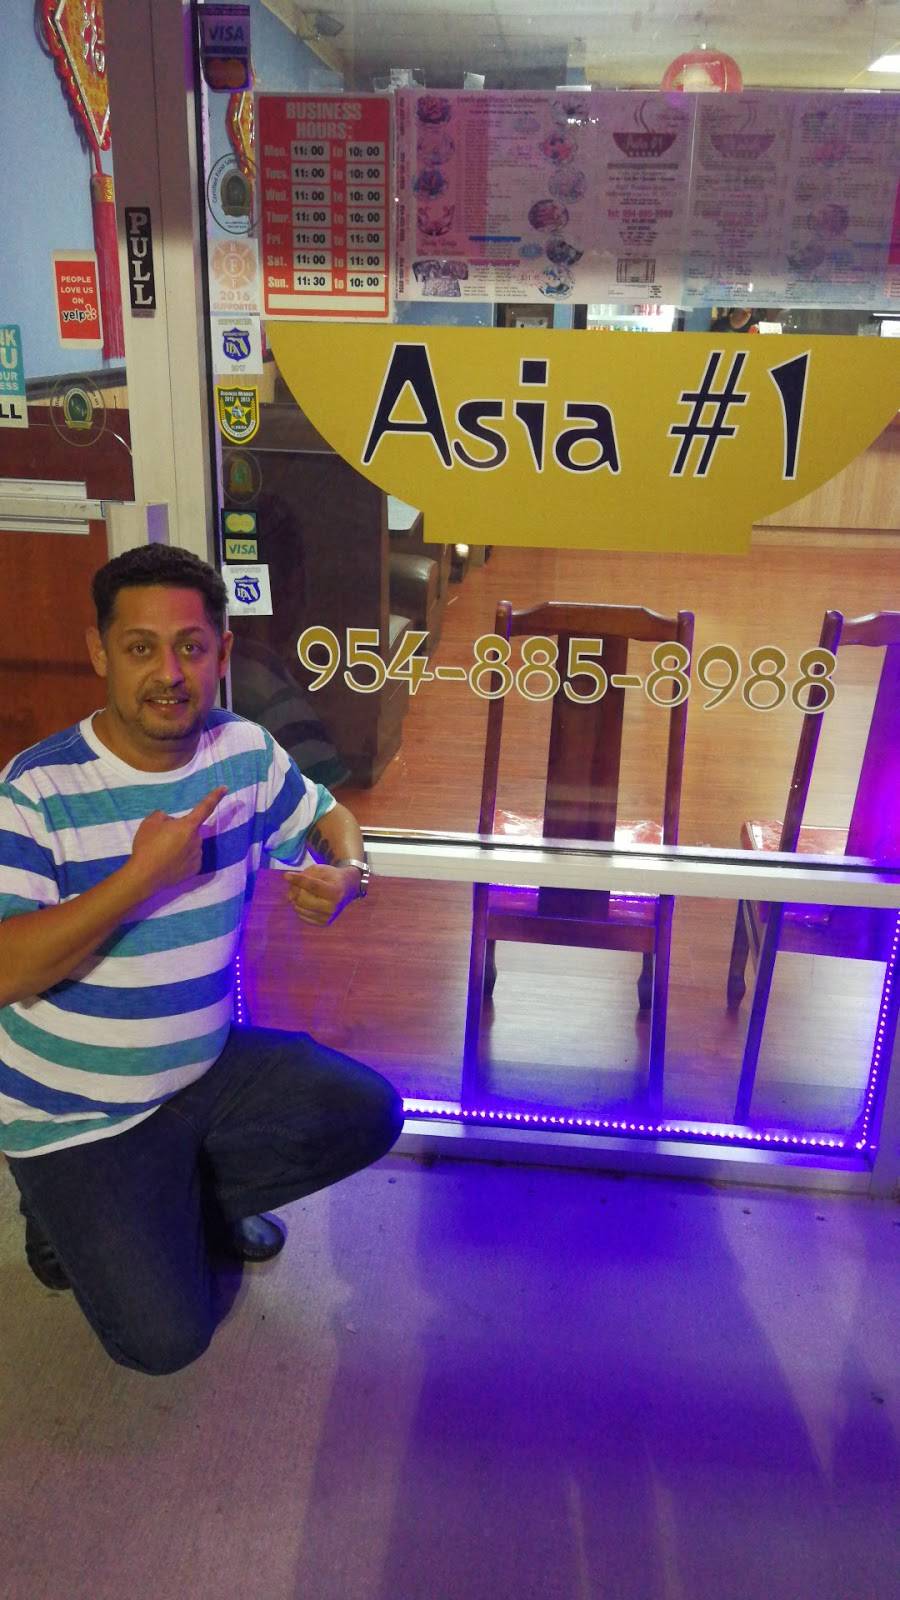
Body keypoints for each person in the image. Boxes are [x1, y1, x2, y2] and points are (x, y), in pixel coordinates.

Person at [0, 543, 403, 1375]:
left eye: (191, 646)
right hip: (76, 1109)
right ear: (100, 653)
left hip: (203, 1069)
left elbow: (328, 816)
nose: (169, 672)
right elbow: (7, 972)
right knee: (164, 1342)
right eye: (140, 647)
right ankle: (58, 1217)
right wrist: (141, 879)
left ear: (223, 652)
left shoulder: (242, 751)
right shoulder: (35, 791)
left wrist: (348, 873)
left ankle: (183, 1205)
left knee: (367, 1111)